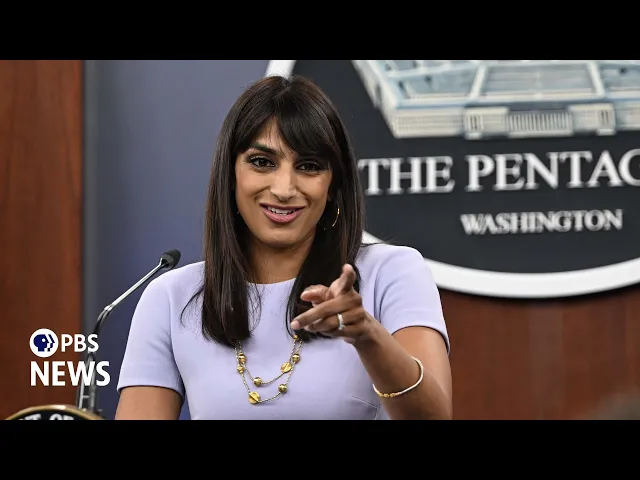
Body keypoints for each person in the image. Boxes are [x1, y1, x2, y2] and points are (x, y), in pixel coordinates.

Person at [115, 74, 452, 420]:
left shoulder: (391, 272)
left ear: (333, 186)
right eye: (262, 162)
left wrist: (368, 336)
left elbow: (434, 416)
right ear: (230, 174)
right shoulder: (171, 298)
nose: (284, 188)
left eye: (309, 166)